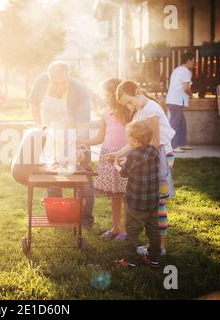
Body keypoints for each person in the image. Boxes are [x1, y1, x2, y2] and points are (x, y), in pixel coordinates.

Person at [108, 80, 175, 256]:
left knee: (158, 202)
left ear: (138, 91)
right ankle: (155, 244)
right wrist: (118, 154)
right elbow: (136, 142)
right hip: (151, 156)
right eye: (126, 105)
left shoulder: (151, 109)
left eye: (130, 102)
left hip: (160, 156)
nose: (130, 107)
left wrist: (135, 160)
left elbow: (152, 143)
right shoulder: (139, 111)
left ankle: (160, 247)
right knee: (154, 201)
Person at [28, 61, 94, 229]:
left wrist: (79, 148)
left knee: (83, 178)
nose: (59, 87)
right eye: (56, 83)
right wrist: (38, 124)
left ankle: (85, 220)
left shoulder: (79, 91)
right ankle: (56, 215)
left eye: (63, 82)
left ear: (69, 75)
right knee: (52, 176)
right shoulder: (41, 81)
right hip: (51, 135)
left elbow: (83, 125)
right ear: (49, 77)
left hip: (75, 136)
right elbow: (34, 102)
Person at [79, 78, 131, 240]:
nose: (106, 98)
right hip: (108, 157)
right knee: (115, 195)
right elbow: (100, 137)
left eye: (108, 95)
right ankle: (116, 228)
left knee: (127, 195)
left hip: (125, 156)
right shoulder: (106, 113)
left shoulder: (130, 112)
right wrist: (82, 142)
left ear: (117, 94)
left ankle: (127, 231)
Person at [113, 120, 161, 268]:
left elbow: (124, 173)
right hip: (152, 201)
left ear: (134, 140)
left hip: (136, 203)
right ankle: (154, 259)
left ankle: (130, 261)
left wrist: (116, 164)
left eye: (128, 137)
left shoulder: (133, 156)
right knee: (153, 231)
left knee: (132, 232)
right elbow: (141, 163)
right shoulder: (154, 151)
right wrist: (126, 161)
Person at [166, 51, 195, 153]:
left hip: (174, 100)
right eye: (193, 61)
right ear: (188, 60)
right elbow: (186, 88)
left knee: (182, 123)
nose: (194, 63)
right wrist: (192, 95)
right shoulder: (185, 71)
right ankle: (172, 146)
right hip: (176, 101)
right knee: (175, 123)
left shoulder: (177, 70)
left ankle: (182, 144)